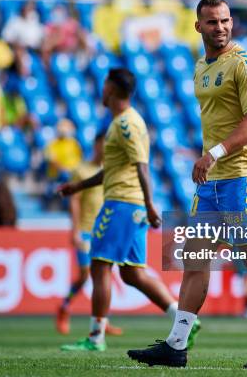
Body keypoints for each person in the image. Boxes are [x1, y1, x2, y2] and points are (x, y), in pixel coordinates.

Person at [127, 0, 247, 369]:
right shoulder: (202, 65)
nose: (220, 28)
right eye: (212, 22)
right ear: (198, 26)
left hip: (245, 175)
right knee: (195, 259)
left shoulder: (245, 64)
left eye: (225, 21)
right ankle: (176, 345)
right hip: (212, 183)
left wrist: (213, 153)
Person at [59, 68, 200, 352]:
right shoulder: (118, 123)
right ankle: (184, 319)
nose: (101, 91)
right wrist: (78, 187)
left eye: (104, 85)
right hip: (129, 202)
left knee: (99, 265)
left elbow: (142, 165)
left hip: (122, 204)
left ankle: (96, 337)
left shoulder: (126, 124)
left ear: (110, 88)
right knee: (132, 274)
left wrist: (149, 205)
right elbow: (110, 171)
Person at [55, 133, 122, 336]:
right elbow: (74, 201)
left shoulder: (110, 171)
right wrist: (75, 230)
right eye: (103, 144)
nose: (105, 148)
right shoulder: (81, 170)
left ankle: (102, 320)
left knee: (104, 276)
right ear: (95, 145)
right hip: (85, 230)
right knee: (84, 275)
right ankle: (64, 308)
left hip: (104, 231)